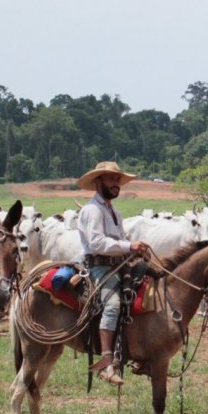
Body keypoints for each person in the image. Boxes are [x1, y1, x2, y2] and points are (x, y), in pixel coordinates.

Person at [77, 161, 150, 386]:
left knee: (148, 291)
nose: (116, 184)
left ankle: (142, 351)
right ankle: (107, 364)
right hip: (99, 267)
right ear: (98, 182)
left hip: (118, 265)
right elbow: (97, 243)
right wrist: (129, 247)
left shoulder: (113, 211)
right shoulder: (92, 210)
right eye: (111, 179)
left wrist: (133, 251)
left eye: (118, 179)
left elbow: (118, 240)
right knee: (113, 305)